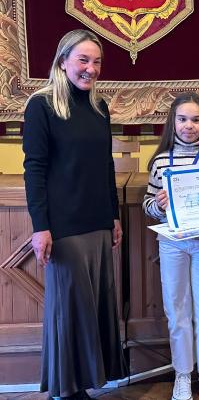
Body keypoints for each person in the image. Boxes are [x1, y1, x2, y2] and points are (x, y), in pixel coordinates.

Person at [23, 29, 126, 399]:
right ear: (62, 61)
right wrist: (40, 227)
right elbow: (34, 168)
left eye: (96, 62)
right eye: (83, 60)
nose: (91, 69)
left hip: (98, 223)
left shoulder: (99, 107)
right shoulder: (41, 105)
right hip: (64, 227)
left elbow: (105, 165)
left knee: (93, 308)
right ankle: (65, 390)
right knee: (70, 310)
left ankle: (81, 385)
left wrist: (114, 215)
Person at [143, 92, 199, 400]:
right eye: (182, 119)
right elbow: (148, 203)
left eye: (196, 119)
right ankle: (182, 373)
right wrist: (157, 204)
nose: (189, 125)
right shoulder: (160, 160)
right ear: (173, 122)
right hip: (172, 244)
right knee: (177, 311)